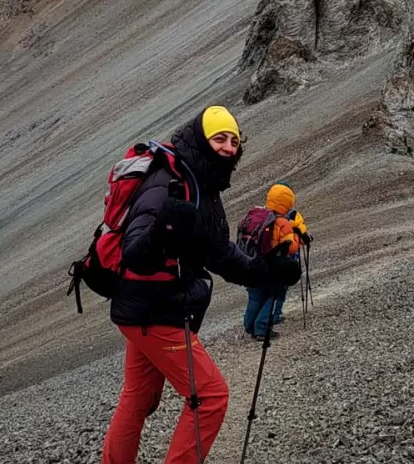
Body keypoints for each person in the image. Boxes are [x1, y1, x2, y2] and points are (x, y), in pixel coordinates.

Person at [102, 106, 301, 464]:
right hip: (156, 309)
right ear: (201, 139)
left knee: (138, 397)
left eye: (233, 140)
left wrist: (266, 271)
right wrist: (162, 229)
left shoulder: (201, 183)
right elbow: (135, 253)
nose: (227, 147)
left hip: (143, 308)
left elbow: (219, 252)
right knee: (211, 397)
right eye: (219, 138)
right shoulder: (170, 183)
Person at [241, 183, 300, 340]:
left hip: (250, 263)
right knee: (271, 296)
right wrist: (297, 237)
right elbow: (290, 248)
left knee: (254, 297)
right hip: (272, 267)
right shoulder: (282, 223)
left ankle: (249, 327)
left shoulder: (256, 215)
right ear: (287, 203)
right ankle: (261, 329)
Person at [273, 204, 312, 325]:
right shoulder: (294, 215)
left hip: (271, 256)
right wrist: (306, 238)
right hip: (290, 258)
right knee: (283, 285)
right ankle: (276, 313)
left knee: (270, 286)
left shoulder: (269, 213)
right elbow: (301, 234)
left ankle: (264, 316)